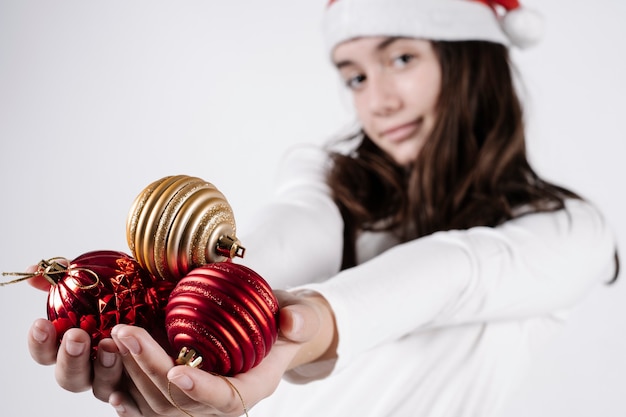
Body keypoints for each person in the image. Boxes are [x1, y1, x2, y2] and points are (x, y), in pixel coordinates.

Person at [26, 0, 619, 416]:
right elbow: (296, 226)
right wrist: (199, 293)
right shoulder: (326, 177)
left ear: (471, 63)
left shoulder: (574, 234)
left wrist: (301, 326)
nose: (379, 100)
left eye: (402, 59)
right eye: (355, 76)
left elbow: (458, 270)